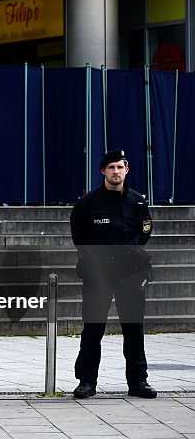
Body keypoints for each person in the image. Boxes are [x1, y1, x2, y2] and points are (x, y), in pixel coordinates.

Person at [71, 149, 156, 399]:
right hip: (98, 272)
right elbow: (79, 236)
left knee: (133, 328)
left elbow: (145, 232)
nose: (116, 172)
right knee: (93, 328)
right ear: (103, 171)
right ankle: (87, 381)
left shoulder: (137, 201)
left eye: (120, 167)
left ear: (126, 170)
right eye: (111, 168)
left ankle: (138, 381)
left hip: (130, 271)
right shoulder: (88, 203)